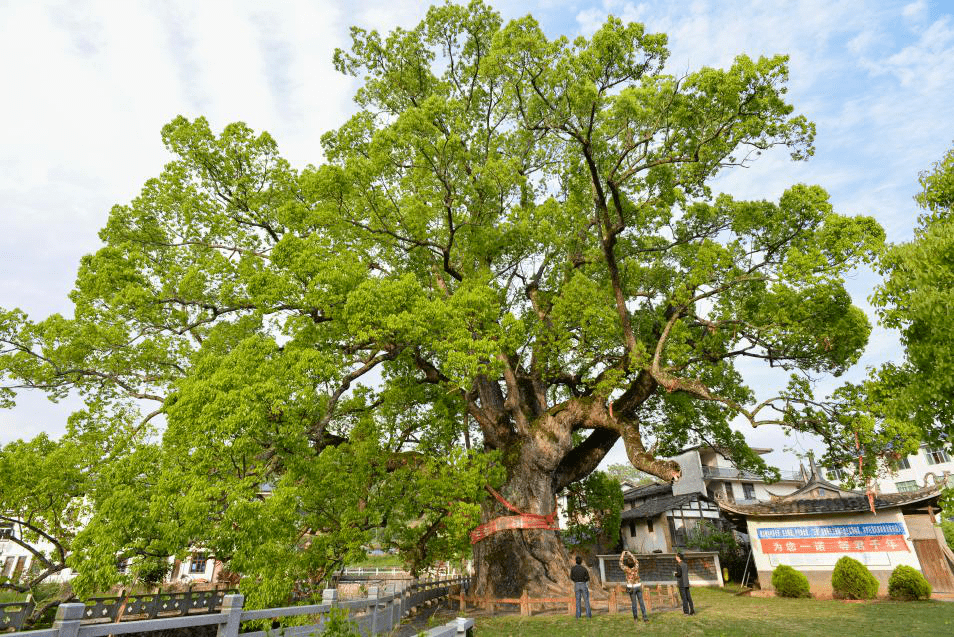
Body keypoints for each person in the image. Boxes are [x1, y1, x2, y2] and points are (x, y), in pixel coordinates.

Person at [619, 550, 648, 623]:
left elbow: (620, 563)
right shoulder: (636, 568)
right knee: (641, 602)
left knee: (634, 603)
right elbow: (636, 561)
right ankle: (645, 618)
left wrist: (622, 554)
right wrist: (630, 554)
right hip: (638, 586)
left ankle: (635, 618)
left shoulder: (626, 569)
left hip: (631, 587)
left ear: (627, 564)